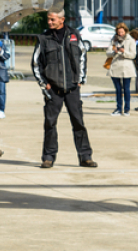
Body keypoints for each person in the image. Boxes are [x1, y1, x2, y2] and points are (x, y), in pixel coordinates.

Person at [31, 10, 96, 168]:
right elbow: (35, 63)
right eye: (48, 19)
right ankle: (48, 157)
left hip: (73, 88)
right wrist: (44, 84)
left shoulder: (73, 35)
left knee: (78, 122)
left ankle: (85, 157)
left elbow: (82, 56)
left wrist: (80, 80)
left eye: (52, 19)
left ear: (62, 20)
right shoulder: (44, 38)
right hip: (53, 89)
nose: (50, 22)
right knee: (50, 123)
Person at [107, 23, 137, 116]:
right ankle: (119, 109)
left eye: (122, 32)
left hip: (126, 67)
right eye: (119, 32)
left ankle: (127, 109)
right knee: (118, 89)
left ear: (125, 31)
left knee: (126, 89)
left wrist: (124, 52)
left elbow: (133, 55)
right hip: (115, 66)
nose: (120, 34)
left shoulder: (130, 40)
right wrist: (114, 52)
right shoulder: (113, 39)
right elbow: (107, 53)